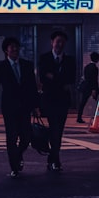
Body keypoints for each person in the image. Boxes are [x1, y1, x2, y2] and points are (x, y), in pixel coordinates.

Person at [0, 36, 39, 178]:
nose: (14, 49)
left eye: (16, 46)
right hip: (9, 107)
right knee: (11, 136)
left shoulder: (27, 65)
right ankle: (14, 167)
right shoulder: (1, 67)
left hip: (25, 106)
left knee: (26, 137)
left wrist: (36, 106)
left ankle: (18, 155)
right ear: (6, 50)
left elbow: (32, 87)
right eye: (11, 47)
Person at [37, 30, 76, 172]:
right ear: (52, 42)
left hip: (63, 101)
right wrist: (60, 81)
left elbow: (71, 79)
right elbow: (42, 77)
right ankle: (55, 160)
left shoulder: (70, 60)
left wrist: (53, 78)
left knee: (59, 130)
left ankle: (53, 158)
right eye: (57, 41)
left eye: (62, 41)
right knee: (54, 128)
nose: (59, 44)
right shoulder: (44, 58)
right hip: (49, 100)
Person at [77, 51, 99, 123]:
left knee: (82, 102)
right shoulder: (95, 68)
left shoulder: (86, 67)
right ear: (97, 59)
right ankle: (98, 116)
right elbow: (94, 79)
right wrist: (94, 89)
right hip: (92, 87)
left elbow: (86, 77)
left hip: (86, 87)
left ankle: (79, 117)